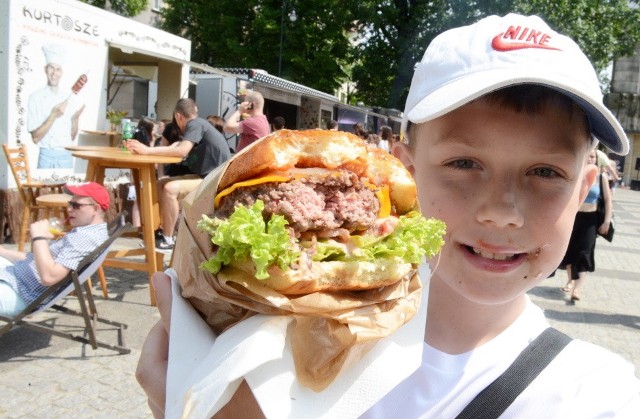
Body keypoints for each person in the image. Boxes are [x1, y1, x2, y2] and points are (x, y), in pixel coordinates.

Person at [136, 14, 640, 417]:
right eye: (464, 164)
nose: (501, 212)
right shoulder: (263, 347)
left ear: (585, 191)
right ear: (400, 172)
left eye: (546, 172)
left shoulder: (601, 396)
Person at [126, 98, 231, 251]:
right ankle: (159, 231)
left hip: (216, 180)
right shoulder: (200, 125)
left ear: (178, 116)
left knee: (170, 189)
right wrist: (148, 150)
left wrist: (148, 150)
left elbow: (182, 151)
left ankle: (168, 240)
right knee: (161, 183)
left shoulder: (195, 124)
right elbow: (177, 146)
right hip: (207, 177)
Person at [0, 182, 110, 316]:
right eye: (70, 204)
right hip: (15, 277)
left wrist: (39, 238)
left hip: (20, 292)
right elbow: (34, 260)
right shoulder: (88, 232)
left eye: (76, 205)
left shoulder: (85, 238)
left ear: (95, 209)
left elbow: (49, 277)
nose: (69, 209)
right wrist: (4, 252)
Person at [556, 150, 614, 301]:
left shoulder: (601, 177)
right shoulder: (576, 174)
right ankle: (570, 280)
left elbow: (608, 200)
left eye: (593, 157)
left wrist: (607, 221)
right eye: (587, 156)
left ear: (596, 159)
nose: (590, 159)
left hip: (591, 220)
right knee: (570, 251)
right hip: (574, 218)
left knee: (584, 253)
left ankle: (577, 289)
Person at [27, 44, 85, 169]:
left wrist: (75, 120)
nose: (54, 73)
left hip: (66, 156)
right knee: (44, 189)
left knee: (66, 189)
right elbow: (35, 138)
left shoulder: (68, 98)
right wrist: (53, 115)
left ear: (62, 72)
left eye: (58, 69)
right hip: (46, 157)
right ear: (45, 69)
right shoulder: (35, 98)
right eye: (51, 68)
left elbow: (72, 136)